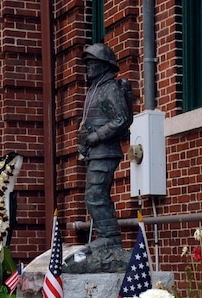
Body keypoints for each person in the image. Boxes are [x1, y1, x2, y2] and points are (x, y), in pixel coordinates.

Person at [77, 43, 131, 251]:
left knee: (95, 194)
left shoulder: (109, 88)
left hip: (105, 152)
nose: (88, 67)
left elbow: (121, 118)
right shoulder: (95, 90)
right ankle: (107, 236)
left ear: (103, 65)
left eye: (92, 63)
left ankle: (109, 237)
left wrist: (96, 137)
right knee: (95, 194)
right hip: (95, 152)